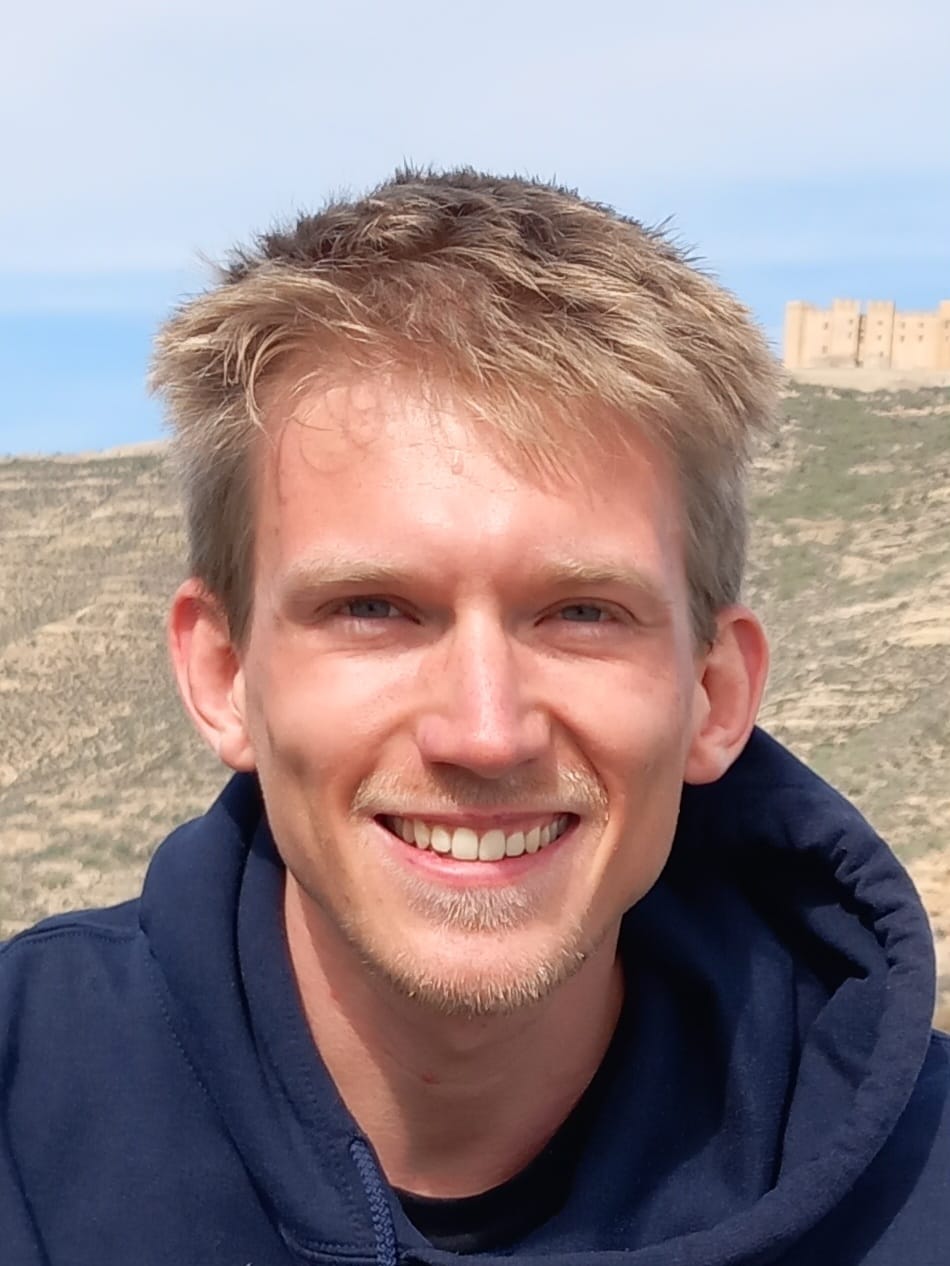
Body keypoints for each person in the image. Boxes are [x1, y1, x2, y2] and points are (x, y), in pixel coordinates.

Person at [1, 169, 947, 1266]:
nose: (486, 732)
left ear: (713, 694)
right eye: (373, 609)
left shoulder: (917, 1189)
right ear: (223, 676)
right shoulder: (26, 1115)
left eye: (581, 613)